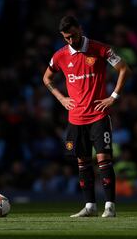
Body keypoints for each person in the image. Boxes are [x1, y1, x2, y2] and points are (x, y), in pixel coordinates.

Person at [43, 15, 131, 217]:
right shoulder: (59, 56)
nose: (71, 41)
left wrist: (114, 97)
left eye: (73, 36)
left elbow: (124, 68)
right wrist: (61, 98)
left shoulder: (100, 49)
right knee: (82, 162)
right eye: (66, 38)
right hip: (75, 118)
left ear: (80, 29)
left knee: (103, 159)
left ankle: (110, 206)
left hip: (98, 115)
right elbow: (46, 78)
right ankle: (90, 206)